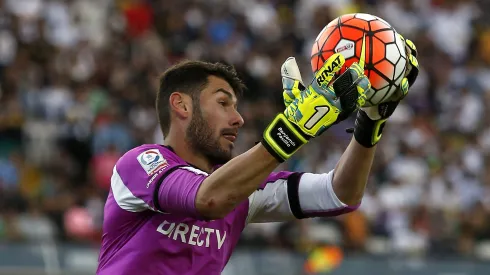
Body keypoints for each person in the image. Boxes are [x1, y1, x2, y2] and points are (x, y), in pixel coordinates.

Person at [96, 36, 419, 274]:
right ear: (182, 105)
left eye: (236, 106)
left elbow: (340, 194)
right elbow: (207, 199)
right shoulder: (139, 164)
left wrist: (369, 124)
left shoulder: (243, 190)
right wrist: (293, 128)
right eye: (223, 103)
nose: (238, 119)